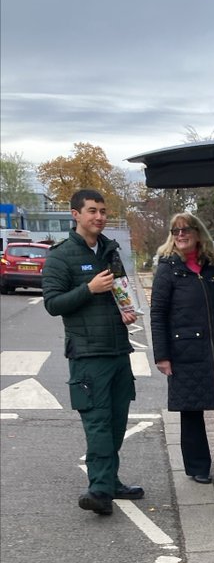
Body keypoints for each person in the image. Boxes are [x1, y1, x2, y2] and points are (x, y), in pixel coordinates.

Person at [42, 189, 143, 516]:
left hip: (118, 349)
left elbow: (120, 294)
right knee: (98, 423)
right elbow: (53, 304)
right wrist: (88, 289)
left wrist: (125, 311)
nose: (99, 216)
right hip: (88, 355)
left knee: (116, 422)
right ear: (75, 214)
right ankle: (98, 490)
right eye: (92, 211)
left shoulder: (110, 250)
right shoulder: (60, 256)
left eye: (102, 210)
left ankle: (110, 482)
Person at [151, 212, 214, 484]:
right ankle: (198, 468)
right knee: (191, 409)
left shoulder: (213, 266)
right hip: (186, 351)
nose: (181, 235)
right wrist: (162, 356)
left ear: (198, 233)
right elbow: (158, 314)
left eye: (186, 230)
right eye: (176, 231)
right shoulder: (167, 268)